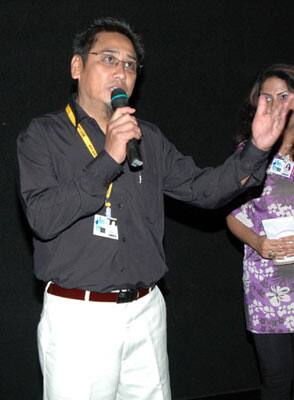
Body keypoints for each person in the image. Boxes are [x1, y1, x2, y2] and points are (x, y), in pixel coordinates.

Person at [17, 17, 293, 400]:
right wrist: (109, 157)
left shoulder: (149, 138)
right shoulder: (43, 136)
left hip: (146, 311)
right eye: (109, 59)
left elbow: (204, 191)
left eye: (130, 64)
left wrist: (258, 149)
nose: (122, 71)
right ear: (77, 66)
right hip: (79, 319)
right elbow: (43, 219)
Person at [226, 64, 294, 400]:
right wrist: (258, 242)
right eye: (267, 97)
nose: (276, 103)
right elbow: (233, 214)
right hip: (269, 288)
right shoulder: (250, 156)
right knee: (278, 382)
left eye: (284, 95)